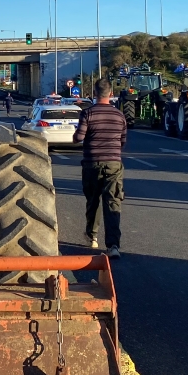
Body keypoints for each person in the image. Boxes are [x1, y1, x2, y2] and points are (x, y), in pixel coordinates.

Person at [73, 79, 127, 257]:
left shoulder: (87, 113)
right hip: (113, 164)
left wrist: (77, 135)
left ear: (95, 94)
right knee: (112, 202)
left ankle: (92, 236)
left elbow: (79, 137)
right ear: (111, 94)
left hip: (91, 163)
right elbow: (123, 142)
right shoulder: (119, 116)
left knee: (93, 200)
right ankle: (113, 246)